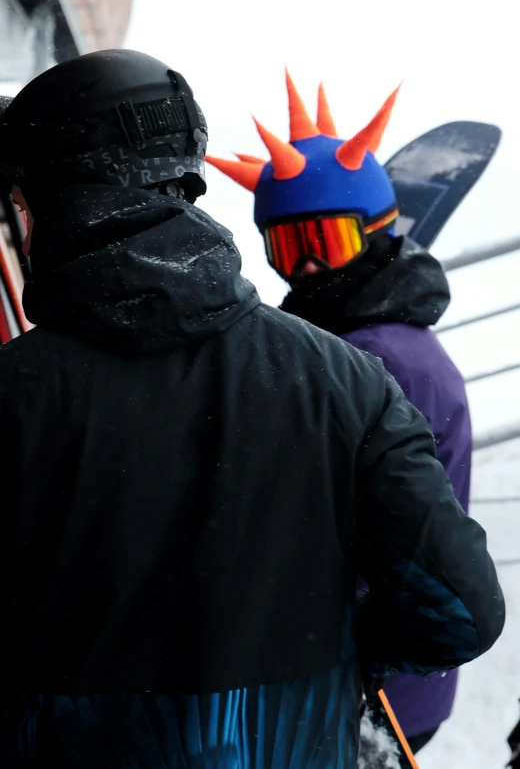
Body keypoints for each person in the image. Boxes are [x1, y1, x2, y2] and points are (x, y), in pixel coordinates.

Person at [0, 50, 504, 769]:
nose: (305, 268)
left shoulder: (17, 393)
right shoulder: (347, 381)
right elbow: (462, 610)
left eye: (18, 206)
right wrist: (326, 650)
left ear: (52, 203)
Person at [208, 70, 476, 754]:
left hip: (374, 681)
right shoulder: (362, 340)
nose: (306, 270)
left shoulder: (379, 358)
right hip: (376, 667)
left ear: (379, 231)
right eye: (286, 248)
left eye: (324, 243)